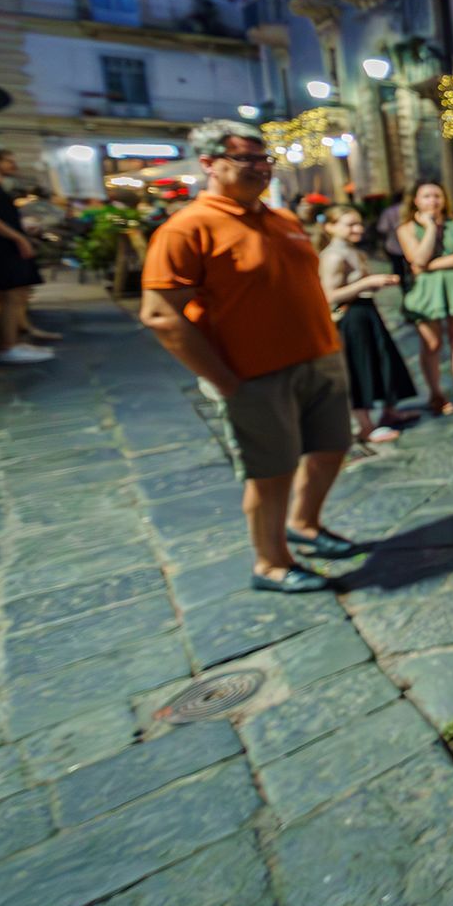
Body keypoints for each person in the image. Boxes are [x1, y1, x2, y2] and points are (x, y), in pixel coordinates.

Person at [139, 121, 357, 593]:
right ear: (209, 165)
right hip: (254, 373)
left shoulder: (283, 220)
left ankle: (306, 525)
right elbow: (160, 315)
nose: (261, 169)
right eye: (247, 160)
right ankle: (271, 562)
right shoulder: (186, 229)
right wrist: (223, 378)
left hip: (319, 358)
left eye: (265, 160)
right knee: (271, 471)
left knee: (332, 447)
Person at [318, 206, 418, 444]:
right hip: (351, 317)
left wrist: (373, 284)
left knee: (382, 360)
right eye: (350, 224)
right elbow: (328, 296)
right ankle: (366, 425)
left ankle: (389, 411)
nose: (358, 229)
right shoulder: (333, 256)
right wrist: (367, 283)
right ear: (331, 227)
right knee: (359, 367)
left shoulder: (351, 250)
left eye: (359, 224)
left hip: (365, 312)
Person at [396, 181, 453, 414]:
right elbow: (417, 259)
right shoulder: (406, 229)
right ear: (416, 200)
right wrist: (431, 228)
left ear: (444, 199)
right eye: (426, 196)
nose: (432, 201)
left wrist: (429, 265)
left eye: (437, 195)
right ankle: (436, 392)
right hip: (426, 292)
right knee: (432, 344)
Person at [0, 146, 54, 364]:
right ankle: (9, 345)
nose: (13, 165)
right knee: (12, 296)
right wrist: (18, 237)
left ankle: (7, 342)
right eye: (7, 160)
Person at [374, 190, 409, 289]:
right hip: (410, 245)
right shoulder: (410, 209)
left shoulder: (389, 211)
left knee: (398, 269)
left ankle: (403, 288)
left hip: (394, 246)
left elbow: (382, 228)